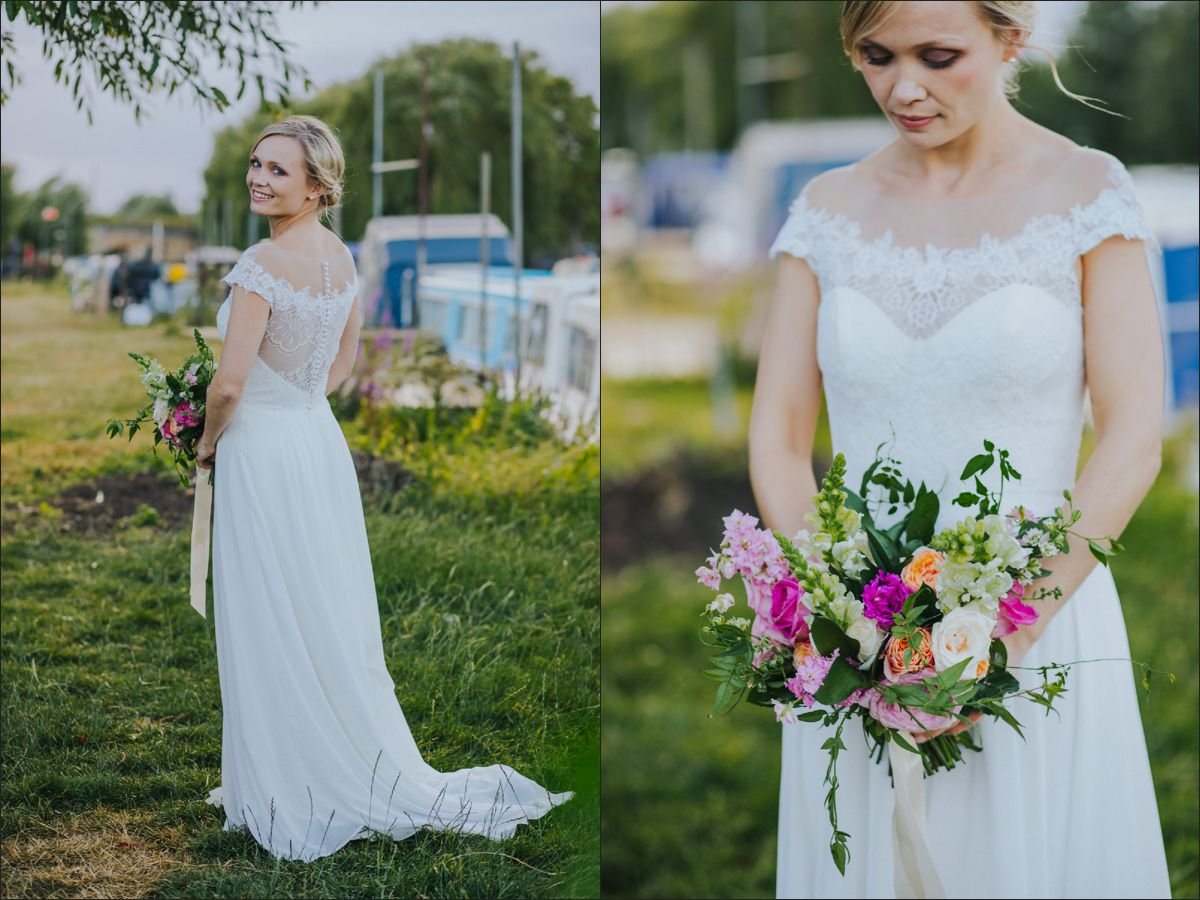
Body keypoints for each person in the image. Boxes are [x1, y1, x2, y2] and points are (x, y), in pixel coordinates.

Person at [750, 2, 1171, 897]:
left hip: (1039, 616)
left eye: (940, 56)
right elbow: (781, 440)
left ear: (1011, 38)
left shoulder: (1088, 192)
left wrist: (1004, 640)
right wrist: (847, 620)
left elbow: (1133, 436)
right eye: (876, 56)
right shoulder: (824, 211)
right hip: (867, 639)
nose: (904, 87)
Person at [193, 115, 571, 862]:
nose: (260, 179)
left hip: (263, 450)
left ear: (317, 185)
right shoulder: (340, 260)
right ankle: (321, 754)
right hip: (314, 443)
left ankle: (288, 780)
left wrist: (205, 442)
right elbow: (344, 364)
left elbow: (229, 382)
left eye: (278, 171)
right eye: (256, 164)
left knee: (272, 606)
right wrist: (301, 406)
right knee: (322, 605)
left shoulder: (260, 265)